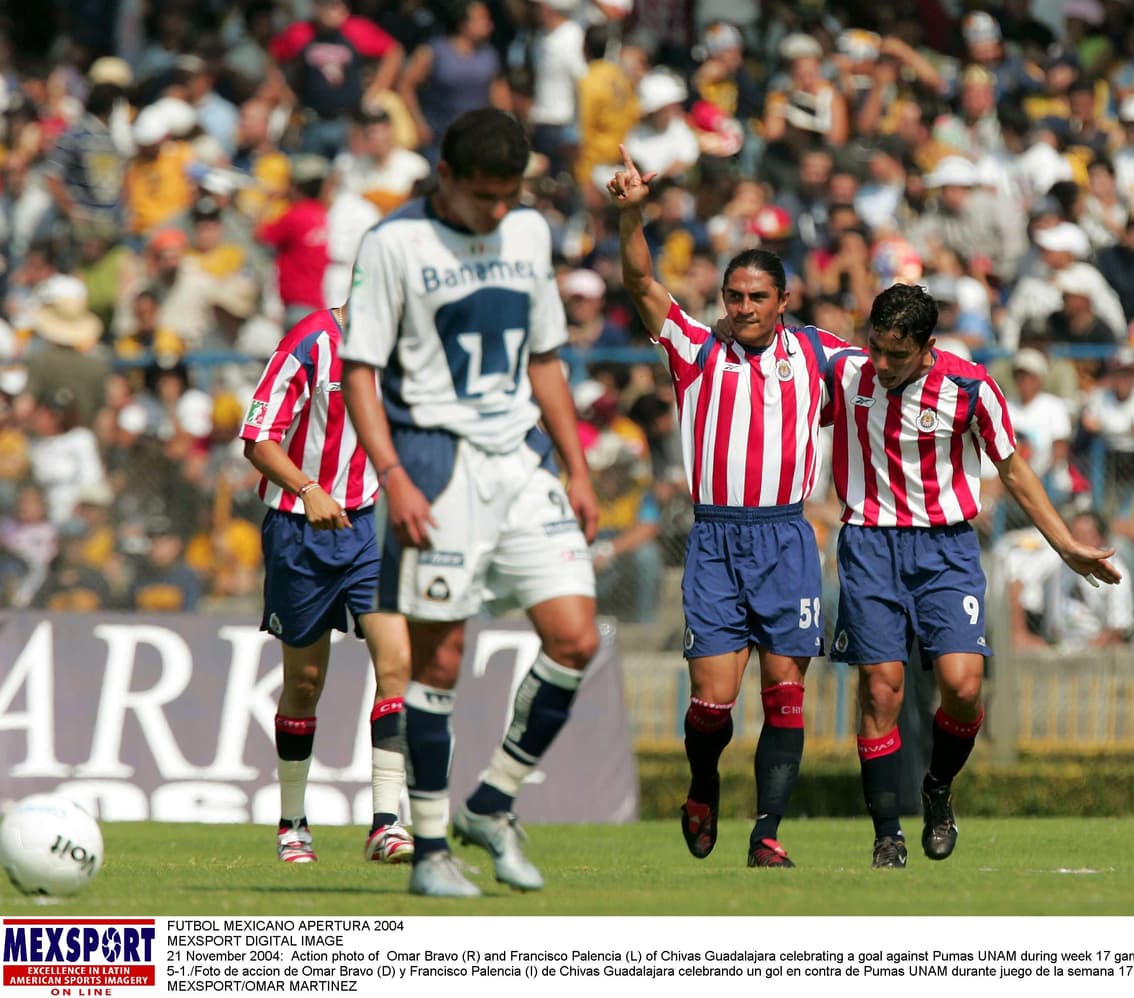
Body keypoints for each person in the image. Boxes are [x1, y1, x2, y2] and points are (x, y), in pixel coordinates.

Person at [339, 108, 600, 898]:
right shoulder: (394, 245)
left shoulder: (527, 234)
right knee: (440, 659)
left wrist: (578, 470)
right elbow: (360, 371)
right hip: (435, 461)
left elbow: (547, 358)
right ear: (445, 177)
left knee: (576, 638)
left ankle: (491, 802)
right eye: (484, 195)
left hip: (520, 461)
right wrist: (393, 477)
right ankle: (427, 850)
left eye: (509, 194)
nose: (497, 210)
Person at [825, 283, 1121, 868]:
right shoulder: (845, 374)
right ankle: (888, 834)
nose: (881, 364)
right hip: (869, 546)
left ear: (927, 345)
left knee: (963, 688)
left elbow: (1013, 471)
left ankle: (938, 787)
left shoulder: (970, 387)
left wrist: (1065, 544)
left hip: (946, 550)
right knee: (881, 688)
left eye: (896, 354)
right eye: (875, 349)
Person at [609, 146, 848, 869]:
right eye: (733, 297)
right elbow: (641, 279)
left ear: (783, 301)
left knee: (784, 692)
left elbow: (885, 378)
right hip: (716, 541)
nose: (742, 309)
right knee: (711, 703)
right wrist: (631, 215)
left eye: (756, 298)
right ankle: (703, 783)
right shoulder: (691, 346)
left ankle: (767, 832)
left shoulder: (820, 355)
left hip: (787, 538)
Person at [240, 305, 412, 865]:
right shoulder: (310, 341)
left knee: (397, 664)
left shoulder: (407, 344)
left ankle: (386, 824)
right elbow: (258, 439)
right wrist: (308, 486)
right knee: (305, 681)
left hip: (368, 526)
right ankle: (293, 823)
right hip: (298, 531)